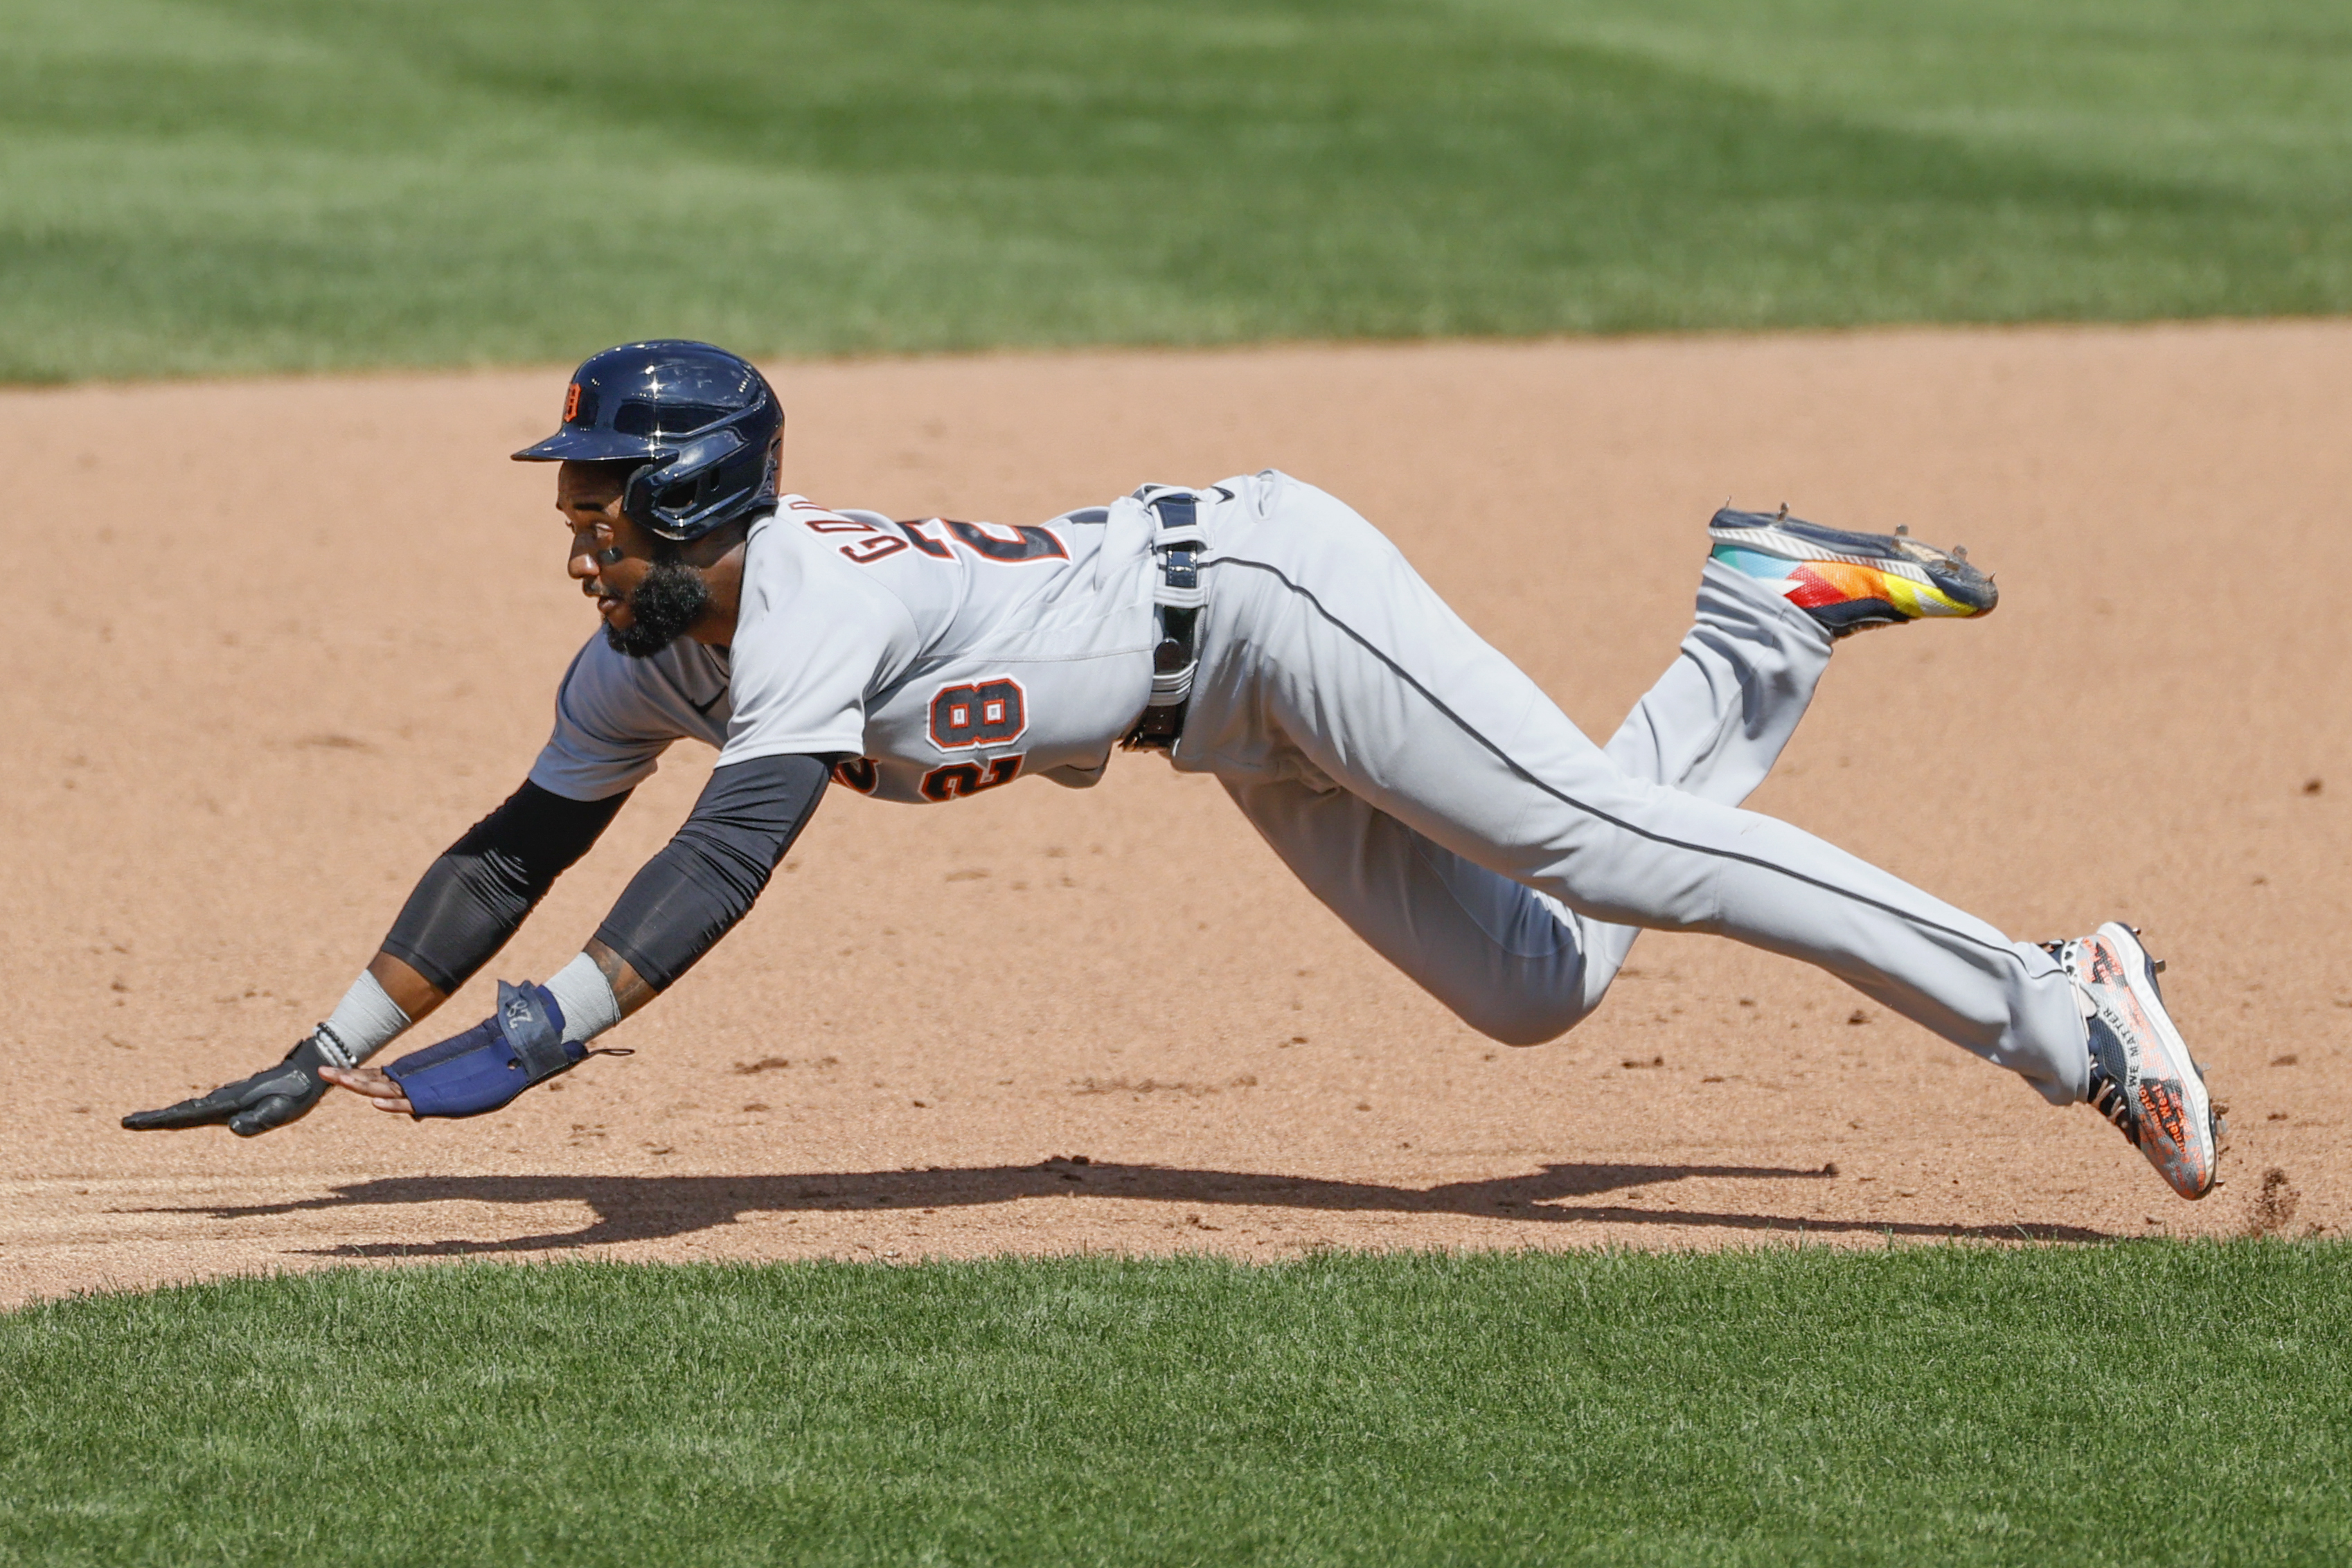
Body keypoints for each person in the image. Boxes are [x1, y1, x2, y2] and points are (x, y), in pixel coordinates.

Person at [125, 340, 2225, 1201]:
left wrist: (556, 1035)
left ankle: (2064, 1004)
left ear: (693, 496)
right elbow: (520, 844)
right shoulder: (644, 658)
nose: (574, 530)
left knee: (1606, 852)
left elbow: (730, 856)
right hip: (1215, 719)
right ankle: (1768, 618)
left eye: (600, 495)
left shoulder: (802, 613)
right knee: (1544, 981)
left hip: (1270, 601)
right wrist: (331, 1036)